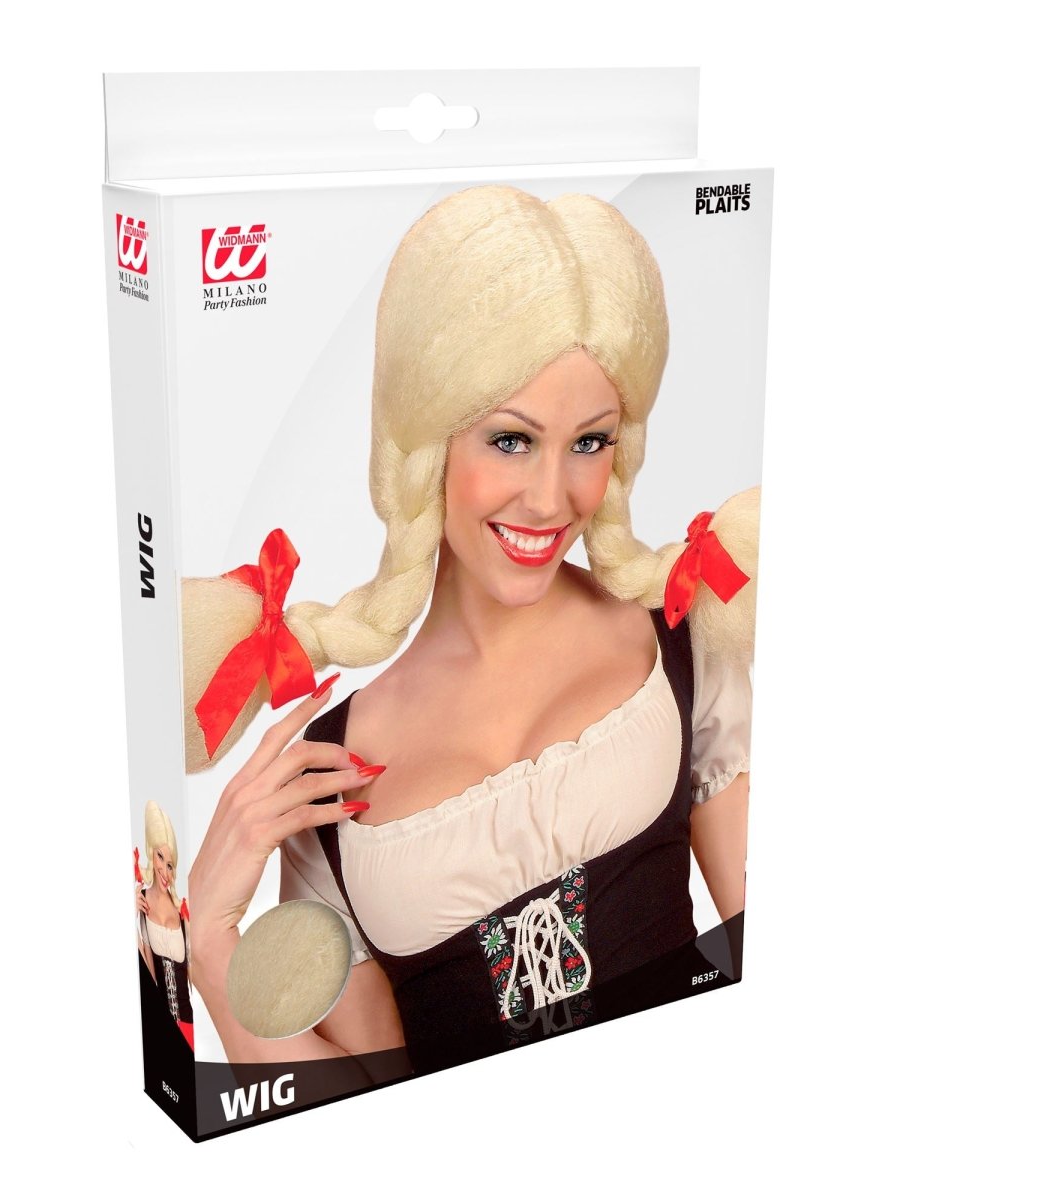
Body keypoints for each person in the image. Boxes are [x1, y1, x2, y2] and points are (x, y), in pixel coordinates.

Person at [183, 185, 759, 1070]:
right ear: (424, 446)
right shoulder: (330, 782)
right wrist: (211, 935)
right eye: (511, 440)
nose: (551, 498)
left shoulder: (680, 634)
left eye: (590, 442)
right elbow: (360, 1108)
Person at [136, 800, 194, 1050]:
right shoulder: (139, 902)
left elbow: (195, 974)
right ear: (151, 853)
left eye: (170, 865)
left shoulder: (182, 912)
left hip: (188, 1028)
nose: (165, 871)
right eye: (160, 856)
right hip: (158, 1029)